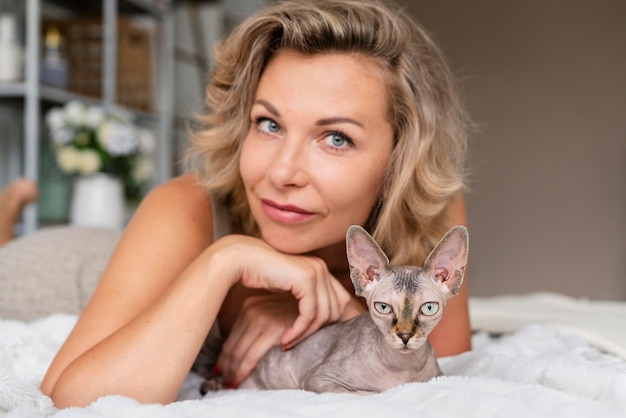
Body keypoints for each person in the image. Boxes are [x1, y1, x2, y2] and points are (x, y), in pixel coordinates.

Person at [41, 0, 471, 408]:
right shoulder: (184, 208)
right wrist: (225, 258)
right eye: (269, 124)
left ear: (399, 161)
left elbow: (434, 382)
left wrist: (341, 314)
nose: (283, 173)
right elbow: (68, 399)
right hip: (65, 266)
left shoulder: (430, 216)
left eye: (336, 138)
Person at [0, 177, 38, 247]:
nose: (23, 209)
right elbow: (4, 246)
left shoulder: (6, 199)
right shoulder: (10, 205)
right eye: (24, 205)